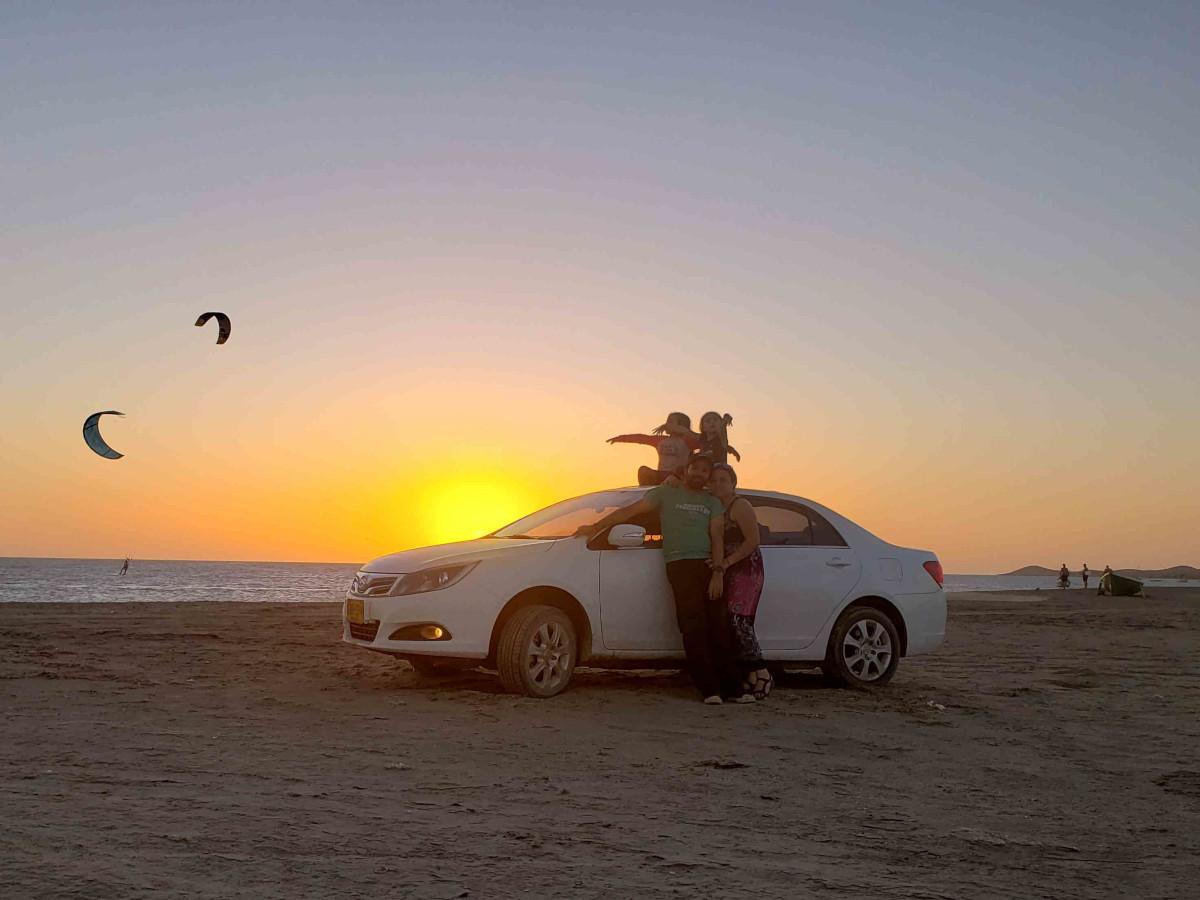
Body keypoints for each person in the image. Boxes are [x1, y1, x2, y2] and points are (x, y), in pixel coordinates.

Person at [575, 454, 751, 704]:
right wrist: (594, 528)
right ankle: (710, 690)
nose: (699, 474)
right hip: (679, 564)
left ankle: (734, 689)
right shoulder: (665, 493)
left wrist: (718, 572)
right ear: (686, 469)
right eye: (695, 468)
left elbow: (717, 537)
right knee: (693, 626)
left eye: (704, 471)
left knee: (719, 627)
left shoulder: (711, 502)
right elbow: (629, 512)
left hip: (707, 565)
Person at [709, 462, 772, 699]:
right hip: (727, 569)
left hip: (746, 569)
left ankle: (762, 672)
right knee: (729, 622)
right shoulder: (715, 507)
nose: (717, 484)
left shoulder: (740, 505)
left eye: (723, 480)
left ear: (733, 483)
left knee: (740, 620)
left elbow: (753, 540)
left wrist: (726, 562)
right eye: (714, 480)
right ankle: (749, 674)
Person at [607, 412, 701, 485]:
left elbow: (704, 441)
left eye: (670, 422)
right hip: (660, 475)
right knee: (643, 471)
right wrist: (620, 438)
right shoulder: (660, 440)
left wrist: (686, 432)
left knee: (680, 471)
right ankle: (648, 496)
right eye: (667, 422)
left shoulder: (688, 440)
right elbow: (642, 438)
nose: (666, 424)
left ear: (681, 426)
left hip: (678, 477)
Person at [657, 411, 741, 465]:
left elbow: (723, 426)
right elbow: (685, 431)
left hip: (718, 471)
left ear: (720, 423)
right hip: (705, 472)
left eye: (715, 419)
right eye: (708, 421)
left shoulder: (721, 438)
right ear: (703, 427)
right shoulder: (701, 438)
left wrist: (726, 418)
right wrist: (667, 426)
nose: (712, 422)